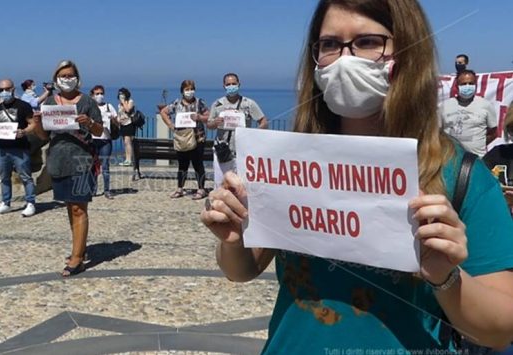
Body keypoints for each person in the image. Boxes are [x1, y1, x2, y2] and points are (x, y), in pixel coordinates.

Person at [201, 0, 513, 353]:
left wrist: (447, 277)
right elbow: (242, 269)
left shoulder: (462, 175)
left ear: (409, 52)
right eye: (330, 44)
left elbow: (500, 331)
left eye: (367, 42)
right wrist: (232, 239)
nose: (345, 58)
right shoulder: (289, 161)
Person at [33, 60, 103, 277]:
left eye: (70, 75)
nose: (67, 79)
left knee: (79, 208)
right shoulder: (51, 102)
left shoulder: (88, 101)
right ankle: (77, 248)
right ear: (56, 78)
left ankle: (78, 258)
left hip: (82, 161)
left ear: (77, 77)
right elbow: (45, 136)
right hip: (58, 161)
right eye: (63, 76)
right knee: (69, 206)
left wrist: (90, 123)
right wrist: (37, 124)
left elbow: (100, 131)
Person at [0, 79, 37, 217]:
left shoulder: (24, 106)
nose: (4, 92)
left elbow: (33, 124)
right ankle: (5, 202)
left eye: (7, 89)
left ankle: (30, 203)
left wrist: (24, 132)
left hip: (20, 148)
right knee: (4, 176)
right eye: (1, 90)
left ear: (13, 89)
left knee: (26, 177)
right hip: (2, 148)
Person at [207, 73, 268, 172]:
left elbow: (263, 121)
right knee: (222, 182)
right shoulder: (217, 104)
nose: (231, 86)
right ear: (224, 86)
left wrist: (254, 133)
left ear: (239, 84)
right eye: (228, 84)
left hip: (243, 149)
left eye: (233, 83)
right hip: (222, 149)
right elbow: (209, 125)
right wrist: (215, 122)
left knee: (241, 182)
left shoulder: (248, 103)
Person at [159, 79, 209, 200]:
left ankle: (201, 189)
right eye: (187, 89)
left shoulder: (199, 102)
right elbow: (164, 112)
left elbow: (208, 116)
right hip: (182, 138)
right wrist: (171, 126)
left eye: (191, 89)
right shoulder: (176, 103)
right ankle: (180, 188)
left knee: (198, 164)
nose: (190, 91)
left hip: (198, 138)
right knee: (182, 165)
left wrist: (200, 117)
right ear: (182, 91)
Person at [440, 69, 498, 157]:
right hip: (450, 157)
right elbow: (437, 132)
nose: (467, 86)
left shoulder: (486, 105)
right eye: (463, 84)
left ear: (476, 84)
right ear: (457, 85)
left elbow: (493, 132)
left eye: (471, 83)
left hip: (477, 158)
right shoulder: (444, 106)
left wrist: (480, 143)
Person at [90, 85, 118, 199]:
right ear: (92, 95)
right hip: (93, 140)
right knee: (93, 167)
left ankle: (107, 190)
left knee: (105, 166)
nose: (100, 96)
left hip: (105, 139)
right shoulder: (90, 107)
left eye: (101, 93)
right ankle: (93, 189)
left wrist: (112, 119)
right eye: (97, 93)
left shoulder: (109, 106)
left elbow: (117, 121)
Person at [117, 87, 136, 168]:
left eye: (122, 94)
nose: (121, 95)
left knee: (128, 141)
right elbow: (119, 114)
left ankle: (129, 160)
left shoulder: (130, 101)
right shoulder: (119, 104)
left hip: (129, 124)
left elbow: (128, 110)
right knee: (125, 142)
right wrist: (118, 120)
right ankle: (126, 159)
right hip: (122, 124)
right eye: (120, 94)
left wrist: (123, 102)